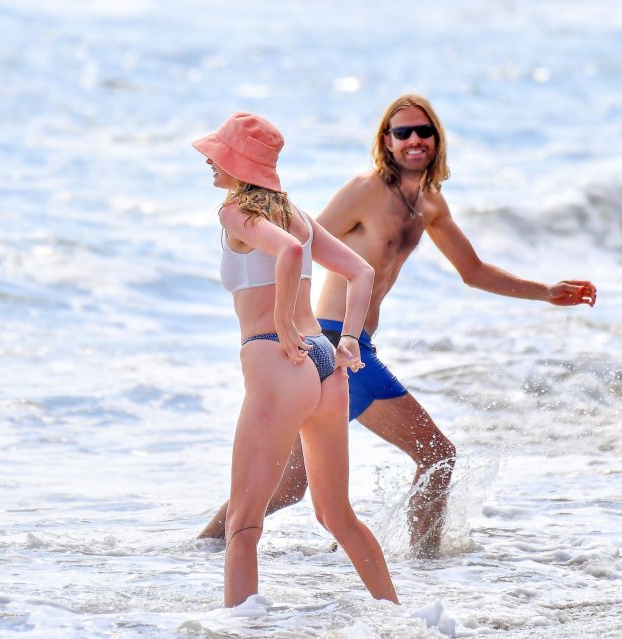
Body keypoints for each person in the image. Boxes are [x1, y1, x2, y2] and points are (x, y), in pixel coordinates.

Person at [198, 95, 597, 558]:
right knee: (437, 455)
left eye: (423, 132)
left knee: (289, 487)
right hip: (334, 341)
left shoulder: (429, 205)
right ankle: (426, 570)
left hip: (348, 343)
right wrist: (281, 326)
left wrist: (545, 292)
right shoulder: (364, 191)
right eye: (402, 132)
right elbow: (297, 244)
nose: (414, 141)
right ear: (385, 142)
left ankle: (200, 552)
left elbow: (473, 270)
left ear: (437, 140)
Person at [192, 111, 398, 606]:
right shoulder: (298, 214)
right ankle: (400, 620)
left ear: (237, 163)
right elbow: (360, 271)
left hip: (278, 359)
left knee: (243, 524)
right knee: (337, 516)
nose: (208, 163)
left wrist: (282, 323)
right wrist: (348, 339)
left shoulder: (235, 212)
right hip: (325, 362)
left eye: (215, 155)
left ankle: (243, 632)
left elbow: (284, 254)